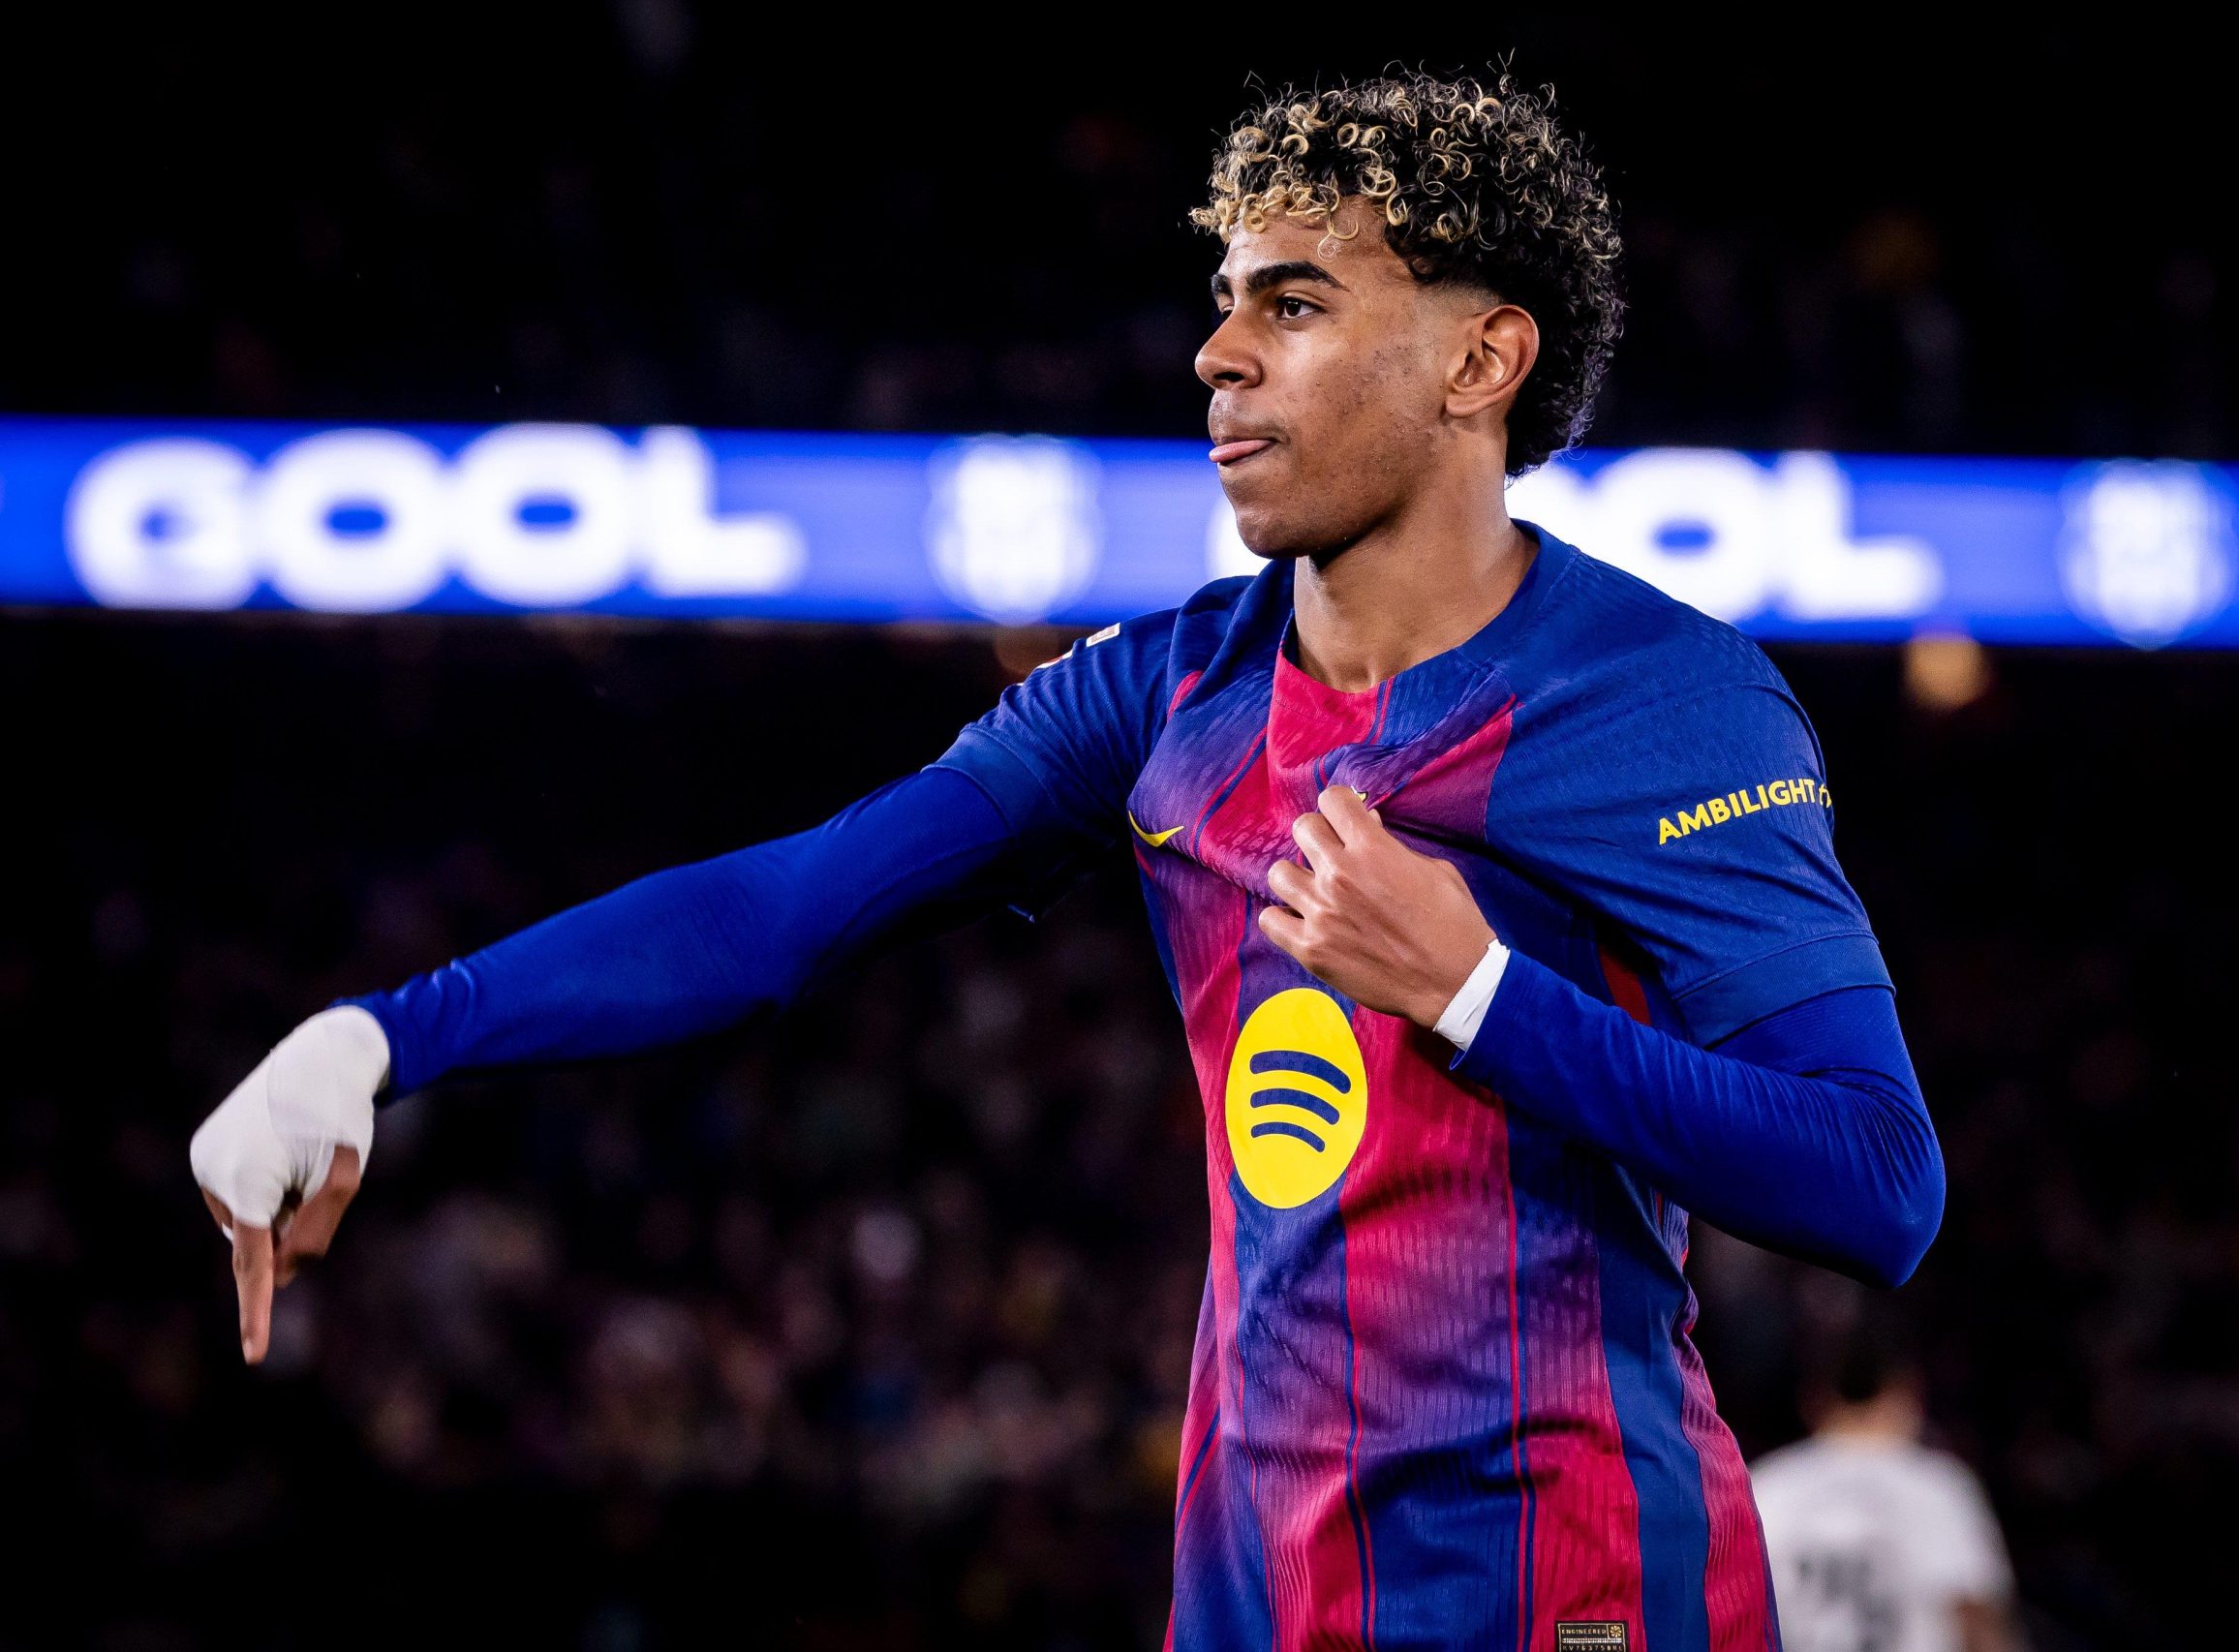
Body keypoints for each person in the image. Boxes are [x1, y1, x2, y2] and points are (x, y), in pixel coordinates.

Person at [190, 73, 1944, 1649]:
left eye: (1299, 302)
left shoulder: (1666, 702)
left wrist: (1479, 993)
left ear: (1483, 361)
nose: (1220, 354)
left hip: (1579, 1590)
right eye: (1225, 303)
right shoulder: (1163, 692)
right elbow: (789, 906)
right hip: (1251, 1590)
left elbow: (1878, 1183)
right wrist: (384, 1036)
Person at [1751, 1322, 2021, 1652]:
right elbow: (1977, 1621)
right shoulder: (1937, 1487)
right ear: (1907, 1394)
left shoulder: (1764, 1485)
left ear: (1814, 1398)